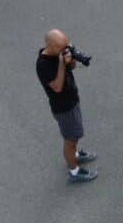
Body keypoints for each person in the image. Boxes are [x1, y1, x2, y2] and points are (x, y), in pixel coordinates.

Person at [36, 29, 97, 183]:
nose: (64, 50)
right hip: (64, 108)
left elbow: (74, 67)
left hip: (72, 100)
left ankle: (74, 153)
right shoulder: (43, 65)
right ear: (50, 45)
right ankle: (74, 170)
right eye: (61, 48)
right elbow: (57, 87)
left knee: (74, 135)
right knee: (70, 139)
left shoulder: (59, 53)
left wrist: (70, 60)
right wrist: (62, 64)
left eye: (65, 46)